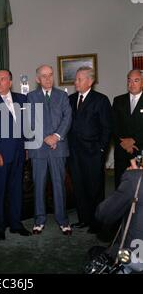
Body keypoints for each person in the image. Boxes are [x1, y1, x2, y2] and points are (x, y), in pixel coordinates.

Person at [0, 70, 31, 240]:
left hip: (19, 153)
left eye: (2, 79)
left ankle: (16, 224)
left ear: (10, 82)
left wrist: (26, 148)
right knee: (0, 192)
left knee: (17, 190)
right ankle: (0, 227)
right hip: (0, 154)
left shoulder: (22, 99)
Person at [27, 65, 72, 235]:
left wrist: (56, 136)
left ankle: (63, 220)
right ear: (38, 79)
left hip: (58, 147)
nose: (48, 79)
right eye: (44, 76)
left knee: (59, 184)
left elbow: (67, 118)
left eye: (50, 75)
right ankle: (39, 220)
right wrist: (46, 137)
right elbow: (30, 119)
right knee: (38, 184)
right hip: (39, 148)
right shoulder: (31, 97)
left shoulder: (62, 96)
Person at [68, 66, 112, 233]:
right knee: (79, 188)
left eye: (79, 79)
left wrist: (101, 150)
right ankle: (83, 219)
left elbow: (107, 128)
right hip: (74, 154)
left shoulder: (101, 100)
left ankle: (97, 222)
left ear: (90, 81)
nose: (76, 82)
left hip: (93, 153)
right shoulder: (70, 99)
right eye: (76, 79)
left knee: (95, 189)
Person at [95, 158, 143, 274]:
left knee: (97, 256)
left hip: (136, 257)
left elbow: (103, 214)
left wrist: (130, 179)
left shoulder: (136, 179)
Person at [112, 69, 143, 189]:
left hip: (140, 150)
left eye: (136, 80)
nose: (132, 84)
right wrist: (124, 143)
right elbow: (113, 125)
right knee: (121, 187)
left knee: (139, 189)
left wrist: (133, 140)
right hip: (122, 152)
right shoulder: (118, 100)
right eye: (129, 80)